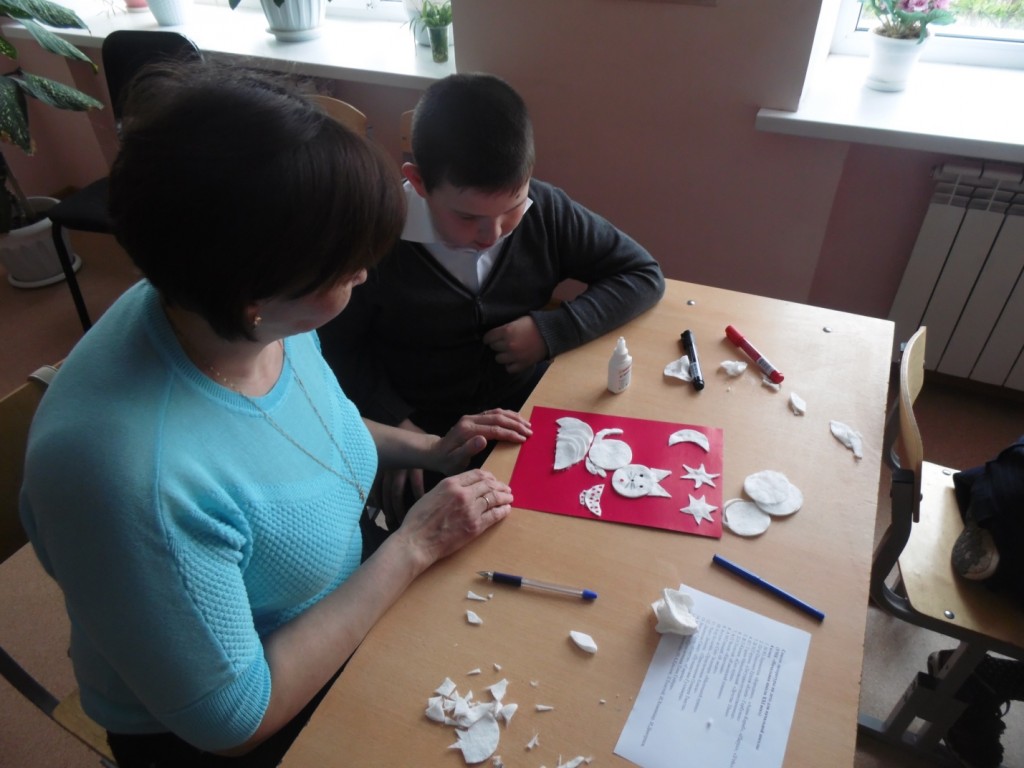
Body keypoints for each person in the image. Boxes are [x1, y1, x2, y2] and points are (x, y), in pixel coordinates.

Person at [19, 61, 530, 767]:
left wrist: (427, 450)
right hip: (234, 730)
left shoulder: (233, 311)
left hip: (343, 595)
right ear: (256, 291)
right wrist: (413, 545)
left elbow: (297, 428)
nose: (366, 271)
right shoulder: (125, 476)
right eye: (348, 264)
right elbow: (236, 717)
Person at [318, 72, 666, 522]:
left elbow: (641, 273)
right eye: (468, 218)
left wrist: (551, 330)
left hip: (527, 417)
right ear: (419, 182)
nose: (493, 233)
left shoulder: (545, 210)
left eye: (512, 207)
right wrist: (395, 431)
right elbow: (332, 352)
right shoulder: (374, 241)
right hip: (424, 436)